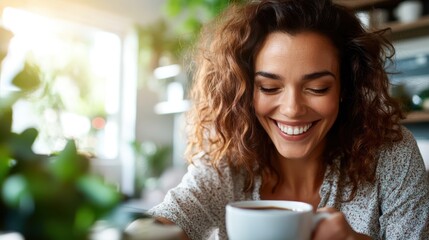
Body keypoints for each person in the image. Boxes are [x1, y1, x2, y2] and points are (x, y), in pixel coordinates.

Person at [148, 0, 429, 239]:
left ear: (346, 87)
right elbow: (171, 218)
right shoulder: (228, 159)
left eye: (318, 88)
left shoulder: (392, 153)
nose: (293, 109)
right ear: (246, 91)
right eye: (269, 88)